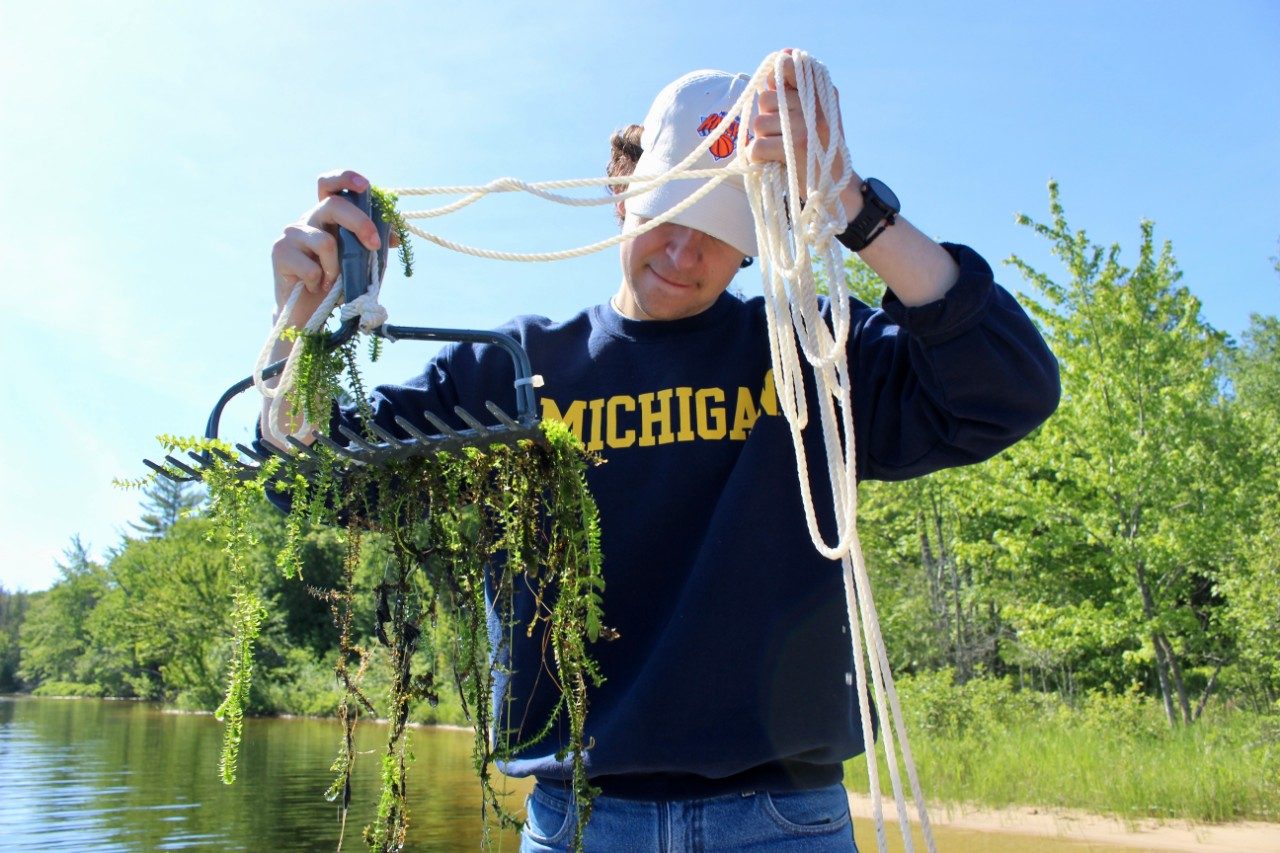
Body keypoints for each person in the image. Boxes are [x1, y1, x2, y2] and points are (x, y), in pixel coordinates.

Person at [262, 55, 1059, 852]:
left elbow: (1010, 387)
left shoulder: (809, 350)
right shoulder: (514, 371)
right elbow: (304, 477)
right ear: (621, 194)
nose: (685, 254)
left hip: (781, 823)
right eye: (669, 217)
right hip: (579, 821)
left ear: (763, 240)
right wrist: (301, 321)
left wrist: (850, 203)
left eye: (721, 231)